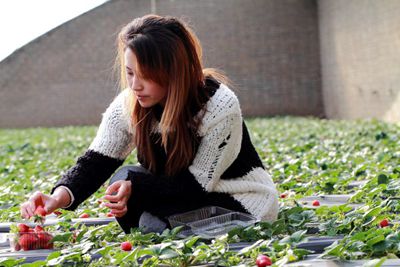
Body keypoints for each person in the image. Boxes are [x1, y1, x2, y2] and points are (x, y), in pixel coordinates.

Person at [20, 14, 279, 234]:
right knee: (124, 180)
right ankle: (155, 221)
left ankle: (156, 222)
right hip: (179, 197)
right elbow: (96, 161)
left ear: (172, 72)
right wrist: (57, 197)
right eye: (130, 72)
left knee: (144, 209)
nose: (134, 85)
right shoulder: (130, 104)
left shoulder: (218, 106)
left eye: (146, 76)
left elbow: (196, 185)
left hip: (237, 199)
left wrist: (137, 189)